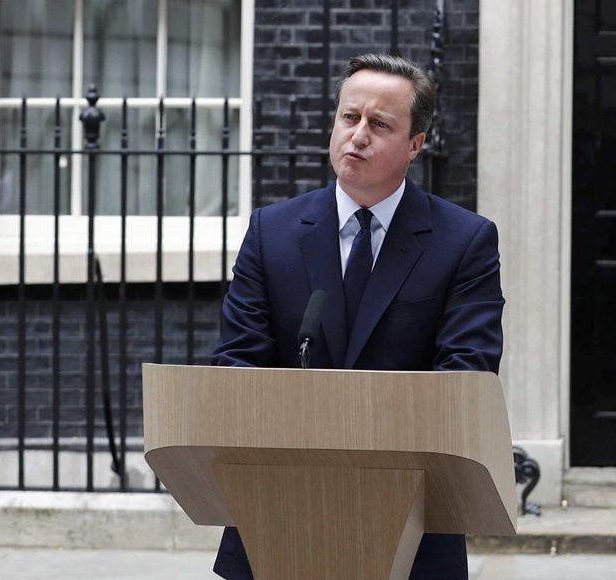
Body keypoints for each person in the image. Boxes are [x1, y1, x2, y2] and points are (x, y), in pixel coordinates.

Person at [210, 53, 504, 580]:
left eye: (380, 124)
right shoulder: (271, 232)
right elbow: (236, 366)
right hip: (277, 512)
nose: (358, 136)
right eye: (349, 118)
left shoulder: (465, 242)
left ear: (416, 144)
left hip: (409, 524)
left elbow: (467, 375)